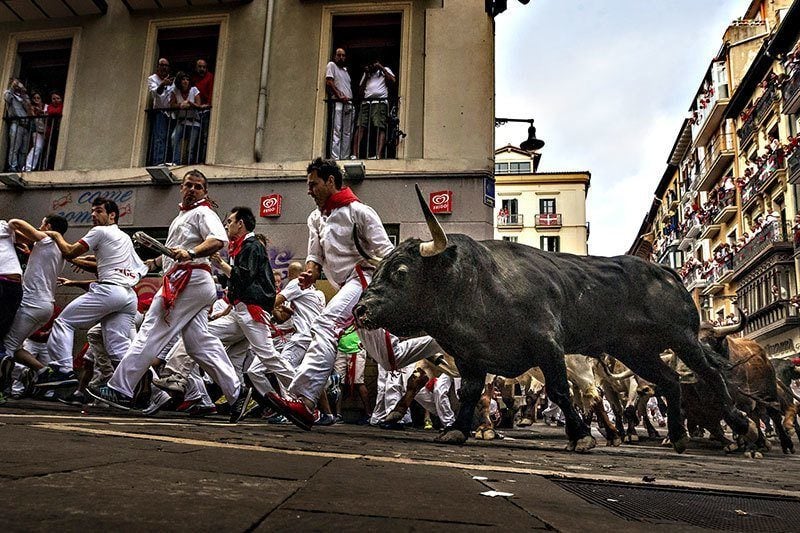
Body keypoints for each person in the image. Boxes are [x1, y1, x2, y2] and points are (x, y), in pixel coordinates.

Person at [267, 158, 444, 430]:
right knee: (390, 358)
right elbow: (314, 255)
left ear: (330, 181)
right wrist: (311, 272)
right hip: (347, 288)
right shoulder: (315, 218)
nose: (309, 191)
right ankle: (441, 339)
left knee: (325, 324)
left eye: (313, 184)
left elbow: (387, 255)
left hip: (365, 281)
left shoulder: (360, 212)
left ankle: (303, 401)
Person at [90, 170, 252, 423]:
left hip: (189, 280)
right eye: (188, 185)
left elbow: (218, 240)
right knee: (200, 345)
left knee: (151, 329)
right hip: (190, 282)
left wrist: (190, 252)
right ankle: (236, 393)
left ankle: (120, 387)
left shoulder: (203, 213)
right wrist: (155, 261)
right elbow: (173, 250)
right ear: (181, 188)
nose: (192, 190)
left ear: (205, 192)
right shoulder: (182, 217)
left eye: (198, 187)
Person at [44, 199, 147, 386]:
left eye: (98, 211)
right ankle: (150, 389)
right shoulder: (124, 238)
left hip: (109, 291)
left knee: (64, 322)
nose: (93, 215)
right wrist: (85, 259)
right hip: (129, 297)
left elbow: (69, 251)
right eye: (92, 211)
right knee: (117, 348)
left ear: (112, 215)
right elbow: (100, 263)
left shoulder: (99, 231)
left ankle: (63, 370)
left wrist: (55, 235)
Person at [2, 215, 68, 386]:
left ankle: (4, 385)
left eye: (42, 223)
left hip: (32, 304)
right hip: (46, 307)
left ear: (49, 226)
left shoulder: (47, 239)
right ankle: (43, 371)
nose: (39, 226)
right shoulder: (59, 250)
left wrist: (25, 233)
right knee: (15, 347)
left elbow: (15, 223)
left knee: (6, 346)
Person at [352, 59, 395, 159]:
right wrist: (366, 75)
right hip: (366, 103)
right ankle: (355, 154)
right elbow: (360, 91)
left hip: (379, 102)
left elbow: (393, 81)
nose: (372, 66)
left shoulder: (385, 70)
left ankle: (378, 154)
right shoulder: (367, 74)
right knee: (360, 126)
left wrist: (381, 68)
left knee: (380, 126)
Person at [170, 72, 205, 165]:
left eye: (187, 79)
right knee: (174, 138)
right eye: (183, 79)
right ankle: (176, 161)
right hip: (182, 121)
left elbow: (199, 105)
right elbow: (172, 105)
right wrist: (180, 105)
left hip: (194, 122)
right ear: (179, 81)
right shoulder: (175, 91)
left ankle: (189, 164)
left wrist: (190, 103)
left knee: (190, 147)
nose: (185, 81)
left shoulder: (194, 90)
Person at [325, 48, 354, 160]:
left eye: (343, 55)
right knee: (337, 131)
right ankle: (336, 157)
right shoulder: (331, 65)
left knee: (347, 132)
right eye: (339, 55)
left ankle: (345, 156)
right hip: (338, 103)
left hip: (349, 103)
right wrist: (339, 96)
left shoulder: (345, 71)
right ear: (334, 56)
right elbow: (329, 82)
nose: (341, 57)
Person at [146, 58, 174, 165]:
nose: (164, 68)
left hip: (171, 114)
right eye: (162, 65)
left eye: (166, 66)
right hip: (159, 112)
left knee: (169, 138)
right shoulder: (152, 79)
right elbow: (155, 93)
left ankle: (167, 161)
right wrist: (162, 84)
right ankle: (158, 162)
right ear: (158, 66)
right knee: (159, 137)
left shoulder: (171, 81)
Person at [3, 78, 32, 172]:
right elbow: (7, 98)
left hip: (25, 125)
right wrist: (12, 87)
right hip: (16, 123)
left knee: (23, 150)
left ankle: (20, 167)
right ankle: (13, 166)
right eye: (16, 83)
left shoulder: (24, 96)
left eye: (19, 82)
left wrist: (23, 94)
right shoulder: (8, 93)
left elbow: (29, 108)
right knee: (15, 147)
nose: (18, 85)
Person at [190, 59, 214, 162]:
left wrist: (208, 104)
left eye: (204, 67)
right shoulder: (193, 79)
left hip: (205, 111)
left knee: (204, 135)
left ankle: (202, 159)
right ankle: (193, 159)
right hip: (196, 111)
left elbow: (212, 91)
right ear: (196, 68)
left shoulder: (210, 77)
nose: (202, 69)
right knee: (195, 137)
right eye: (200, 67)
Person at [22, 91, 46, 172]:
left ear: (41, 99)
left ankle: (44, 167)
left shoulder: (46, 107)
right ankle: (27, 167)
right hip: (38, 131)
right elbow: (30, 117)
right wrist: (33, 110)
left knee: (45, 149)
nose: (36, 99)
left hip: (47, 131)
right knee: (37, 147)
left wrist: (42, 112)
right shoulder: (32, 108)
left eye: (38, 98)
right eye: (34, 98)